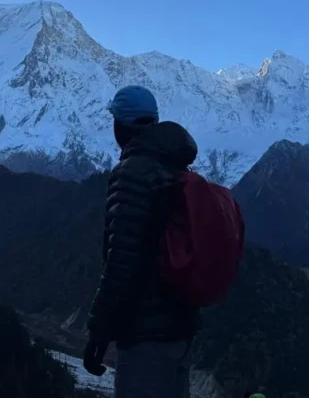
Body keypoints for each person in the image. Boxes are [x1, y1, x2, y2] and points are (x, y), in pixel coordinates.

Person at [84, 85, 200, 398]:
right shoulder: (174, 167)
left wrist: (98, 332)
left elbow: (121, 262)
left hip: (145, 332)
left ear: (122, 125)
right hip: (181, 327)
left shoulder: (132, 173)